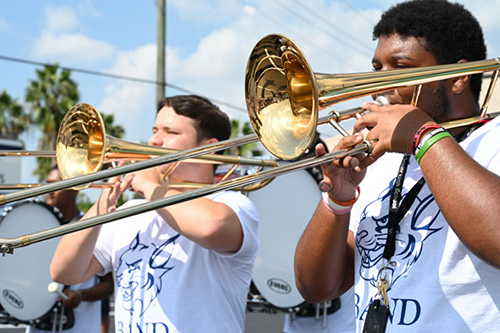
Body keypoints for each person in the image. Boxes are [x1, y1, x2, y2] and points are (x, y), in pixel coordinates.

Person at [294, 0, 500, 332]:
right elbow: (317, 288)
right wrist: (337, 199)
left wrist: (422, 135)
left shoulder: (493, 141)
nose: (378, 85)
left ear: (459, 77)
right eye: (378, 68)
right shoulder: (381, 163)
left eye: (401, 67)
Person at [50, 95, 260, 332]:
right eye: (154, 130)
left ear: (208, 147)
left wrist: (152, 187)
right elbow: (63, 270)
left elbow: (211, 227)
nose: (154, 140)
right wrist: (101, 206)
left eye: (170, 132)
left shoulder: (231, 203)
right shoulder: (129, 213)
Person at [27, 166, 114, 333]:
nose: (49, 190)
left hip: (80, 327)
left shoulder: (92, 228)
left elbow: (108, 285)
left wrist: (81, 295)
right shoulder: (38, 229)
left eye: (56, 184)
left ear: (75, 189)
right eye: (47, 184)